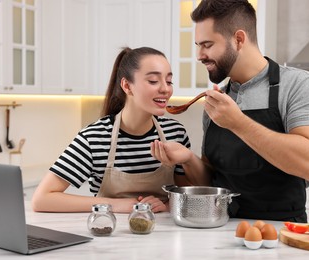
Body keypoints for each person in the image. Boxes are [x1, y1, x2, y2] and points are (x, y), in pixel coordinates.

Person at [151, 0, 309, 222]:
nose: (199, 55)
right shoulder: (218, 101)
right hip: (219, 231)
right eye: (198, 45)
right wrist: (188, 159)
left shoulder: (298, 84)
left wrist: (238, 122)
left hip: (280, 233)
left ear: (238, 39)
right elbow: (213, 179)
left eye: (207, 45)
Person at [32, 47, 191, 213]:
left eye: (169, 81)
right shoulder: (95, 138)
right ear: (127, 86)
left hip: (166, 234)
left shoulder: (175, 133)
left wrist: (166, 206)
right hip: (109, 233)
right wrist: (118, 205)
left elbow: (189, 193)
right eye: (153, 81)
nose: (166, 89)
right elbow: (42, 199)